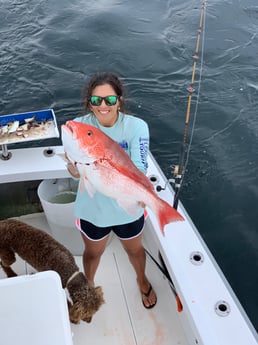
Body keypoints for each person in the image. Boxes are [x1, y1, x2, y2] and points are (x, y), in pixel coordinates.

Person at [66, 72, 157, 309]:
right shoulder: (79, 126)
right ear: (89, 102)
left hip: (128, 207)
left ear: (120, 100)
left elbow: (140, 166)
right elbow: (77, 167)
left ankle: (142, 279)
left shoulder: (136, 127)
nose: (103, 106)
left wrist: (143, 192)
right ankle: (88, 287)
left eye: (109, 99)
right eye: (96, 101)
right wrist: (74, 171)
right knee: (93, 253)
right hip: (93, 210)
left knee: (135, 250)